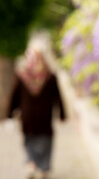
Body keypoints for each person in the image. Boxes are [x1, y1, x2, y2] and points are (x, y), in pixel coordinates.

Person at [7, 49, 66, 179]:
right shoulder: (50, 76)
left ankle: (31, 164)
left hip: (27, 118)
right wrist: (62, 114)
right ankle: (43, 168)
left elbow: (14, 96)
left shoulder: (22, 75)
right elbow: (58, 97)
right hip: (45, 118)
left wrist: (10, 114)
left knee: (29, 141)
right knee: (45, 142)